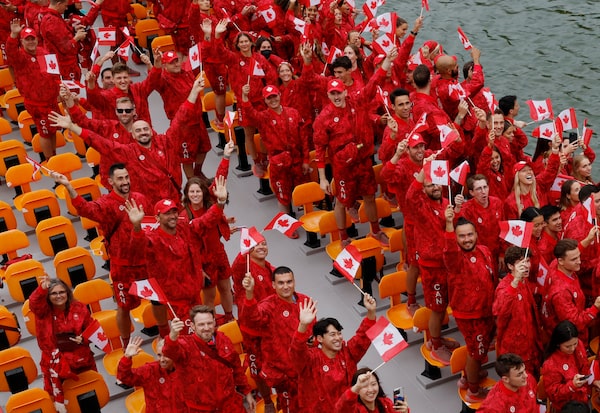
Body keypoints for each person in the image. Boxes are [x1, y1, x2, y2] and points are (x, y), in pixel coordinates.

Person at [51, 75, 207, 206]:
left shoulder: (164, 141)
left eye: (128, 110)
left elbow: (181, 118)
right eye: (120, 110)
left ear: (135, 112)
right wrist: (71, 115)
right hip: (135, 196)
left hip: (172, 200)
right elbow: (96, 139)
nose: (124, 113)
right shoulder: (122, 145)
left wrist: (194, 92)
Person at [51, 164, 150, 348]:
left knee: (158, 300)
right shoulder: (106, 203)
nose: (125, 182)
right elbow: (85, 209)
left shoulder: (140, 198)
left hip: (146, 261)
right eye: (120, 178)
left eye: (127, 177)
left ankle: (165, 334)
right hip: (122, 266)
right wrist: (69, 186)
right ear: (110, 181)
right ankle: (126, 344)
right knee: (124, 307)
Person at [314, 48, 398, 248]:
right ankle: (343, 237)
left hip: (363, 161)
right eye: (332, 93)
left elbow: (374, 83)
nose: (336, 96)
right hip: (343, 167)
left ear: (345, 91)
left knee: (369, 196)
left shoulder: (358, 101)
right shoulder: (323, 119)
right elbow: (319, 148)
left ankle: (375, 231)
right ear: (328, 94)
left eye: (339, 92)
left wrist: (387, 61)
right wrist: (323, 178)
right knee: (342, 202)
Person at [125, 176, 227, 337]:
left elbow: (204, 221)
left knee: (204, 335)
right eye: (167, 213)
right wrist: (137, 226)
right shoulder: (152, 239)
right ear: (157, 218)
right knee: (191, 337)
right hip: (176, 302)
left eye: (173, 211)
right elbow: (135, 251)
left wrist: (220, 202)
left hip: (194, 295)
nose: (172, 216)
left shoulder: (184, 228)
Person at [405, 156, 462, 365]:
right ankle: (435, 346)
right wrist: (424, 168)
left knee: (443, 304)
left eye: (437, 183)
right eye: (430, 185)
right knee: (437, 308)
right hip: (432, 267)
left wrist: (456, 212)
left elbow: (450, 228)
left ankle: (436, 340)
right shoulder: (420, 206)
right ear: (424, 188)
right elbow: (410, 195)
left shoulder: (446, 202)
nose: (435, 187)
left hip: (448, 263)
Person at [240, 266, 312, 413]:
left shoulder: (305, 301)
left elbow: (313, 332)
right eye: (281, 283)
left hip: (306, 371)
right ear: (273, 285)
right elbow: (251, 318)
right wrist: (249, 293)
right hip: (284, 375)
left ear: (294, 282)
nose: (286, 286)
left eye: (289, 282)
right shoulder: (268, 306)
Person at [290, 294, 377, 412]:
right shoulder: (310, 359)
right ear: (320, 338)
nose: (338, 338)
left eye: (339, 333)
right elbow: (297, 352)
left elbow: (363, 337)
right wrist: (303, 325)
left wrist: (371, 312)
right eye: (332, 335)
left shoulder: (348, 352)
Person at [180, 141, 236, 321]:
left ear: (204, 192)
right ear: (187, 195)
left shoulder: (209, 200)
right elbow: (205, 222)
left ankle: (229, 317)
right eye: (191, 192)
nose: (195, 195)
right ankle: (211, 324)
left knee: (226, 289)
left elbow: (220, 178)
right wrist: (220, 204)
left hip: (219, 252)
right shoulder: (184, 216)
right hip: (203, 261)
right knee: (210, 297)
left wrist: (226, 156)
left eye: (198, 191)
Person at [163, 305, 256, 412]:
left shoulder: (223, 339)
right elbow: (169, 351)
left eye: (209, 323)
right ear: (192, 326)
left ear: (214, 322)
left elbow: (236, 369)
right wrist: (172, 335)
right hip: (200, 409)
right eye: (201, 324)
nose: (206, 328)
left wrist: (247, 393)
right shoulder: (184, 345)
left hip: (230, 404)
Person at [443, 213, 495, 402]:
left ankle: (467, 377)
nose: (467, 239)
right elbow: (450, 250)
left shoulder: (484, 250)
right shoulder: (455, 259)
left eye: (470, 234)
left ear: (476, 234)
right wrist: (449, 224)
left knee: (479, 350)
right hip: (470, 316)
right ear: (455, 238)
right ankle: (473, 391)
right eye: (462, 236)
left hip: (486, 311)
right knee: (476, 352)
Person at [241, 83, 310, 220]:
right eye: (269, 98)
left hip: (297, 160)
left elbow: (304, 138)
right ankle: (287, 225)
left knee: (303, 194)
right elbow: (249, 112)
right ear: (265, 100)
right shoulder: (263, 118)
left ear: (279, 95)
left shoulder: (293, 113)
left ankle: (307, 223)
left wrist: (306, 160)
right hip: (278, 164)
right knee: (282, 197)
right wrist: (244, 96)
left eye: (274, 96)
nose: (273, 100)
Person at [29, 276, 96, 413]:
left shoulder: (79, 307)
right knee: (65, 407)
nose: (58, 296)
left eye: (61, 292)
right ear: (48, 297)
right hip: (56, 365)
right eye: (54, 293)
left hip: (81, 360)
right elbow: (34, 302)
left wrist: (83, 339)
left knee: (89, 400)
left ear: (67, 292)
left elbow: (92, 330)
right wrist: (42, 288)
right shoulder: (43, 312)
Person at [150, 50, 211, 178]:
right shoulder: (164, 80)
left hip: (197, 119)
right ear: (164, 65)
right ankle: (192, 182)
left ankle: (198, 173)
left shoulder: (186, 73)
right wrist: (155, 64)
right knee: (186, 158)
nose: (176, 64)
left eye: (177, 61)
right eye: (171, 63)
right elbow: (154, 81)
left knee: (204, 148)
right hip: (182, 126)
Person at [6, 20, 60, 160]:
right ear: (22, 42)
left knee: (52, 130)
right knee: (45, 132)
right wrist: (13, 35)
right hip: (36, 104)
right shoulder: (19, 57)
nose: (30, 42)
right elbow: (10, 52)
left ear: (36, 39)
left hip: (51, 101)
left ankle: (54, 156)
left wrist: (58, 90)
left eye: (32, 39)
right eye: (27, 39)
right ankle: (49, 161)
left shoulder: (43, 52)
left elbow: (53, 73)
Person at [493, 246, 543, 378]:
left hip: (531, 347)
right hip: (515, 352)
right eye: (521, 263)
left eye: (527, 261)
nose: (526, 266)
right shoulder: (504, 287)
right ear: (510, 266)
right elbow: (500, 311)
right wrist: (515, 282)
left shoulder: (525, 281)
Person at [541, 239, 600, 345]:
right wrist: (595, 308)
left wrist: (588, 238)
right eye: (574, 259)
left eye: (579, 256)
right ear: (561, 261)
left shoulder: (556, 264)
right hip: (569, 342)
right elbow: (575, 324)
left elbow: (574, 252)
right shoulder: (561, 293)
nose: (579, 261)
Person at [541, 320, 599, 412]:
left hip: (583, 398)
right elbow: (553, 394)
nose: (572, 348)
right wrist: (572, 385)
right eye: (567, 346)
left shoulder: (579, 345)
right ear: (558, 344)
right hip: (567, 407)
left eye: (574, 344)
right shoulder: (550, 364)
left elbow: (584, 367)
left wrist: (592, 381)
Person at [117, 337, 182, 413]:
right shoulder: (150, 370)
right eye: (159, 355)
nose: (162, 359)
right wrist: (127, 357)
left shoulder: (186, 369)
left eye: (166, 355)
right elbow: (124, 377)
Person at [458, 174, 504, 268]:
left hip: (497, 254)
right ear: (471, 192)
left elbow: (504, 229)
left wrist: (502, 253)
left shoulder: (497, 203)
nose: (483, 191)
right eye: (479, 189)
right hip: (479, 256)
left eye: (485, 187)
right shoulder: (466, 209)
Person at [562, 184, 600, 297]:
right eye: (597, 201)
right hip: (587, 288)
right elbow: (576, 267)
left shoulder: (584, 207)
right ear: (586, 203)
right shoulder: (578, 231)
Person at [39, 0, 89, 80]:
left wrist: (72, 29)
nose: (66, 9)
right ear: (58, 4)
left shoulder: (50, 17)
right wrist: (77, 38)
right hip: (64, 66)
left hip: (62, 63)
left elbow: (59, 35)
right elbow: (64, 48)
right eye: (65, 6)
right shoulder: (52, 20)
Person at [334, 368, 409, 412]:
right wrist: (356, 386)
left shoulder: (386, 403)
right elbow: (340, 409)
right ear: (357, 389)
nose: (370, 390)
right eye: (364, 386)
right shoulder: (353, 409)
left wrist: (404, 412)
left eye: (373, 384)